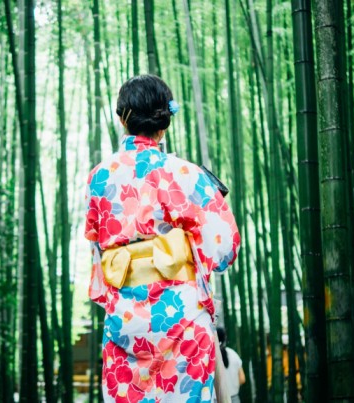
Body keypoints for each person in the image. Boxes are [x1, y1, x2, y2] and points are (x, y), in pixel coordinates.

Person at [84, 74, 240, 402]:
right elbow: (225, 247)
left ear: (122, 118)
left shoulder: (98, 177)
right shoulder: (184, 173)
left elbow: (98, 251)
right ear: (164, 122)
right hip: (182, 318)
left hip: (124, 321)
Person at [216, 327, 246, 403]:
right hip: (234, 399)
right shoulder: (233, 354)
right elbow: (242, 379)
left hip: (217, 400)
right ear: (225, 338)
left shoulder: (210, 357)